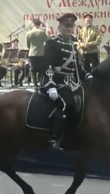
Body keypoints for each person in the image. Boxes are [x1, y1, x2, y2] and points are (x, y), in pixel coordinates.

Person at [40, 13, 90, 150]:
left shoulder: (72, 45)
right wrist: (50, 85)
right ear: (60, 26)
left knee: (86, 101)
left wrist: (87, 76)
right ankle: (55, 138)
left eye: (71, 26)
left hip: (71, 82)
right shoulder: (53, 42)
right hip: (56, 81)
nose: (69, 29)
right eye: (66, 26)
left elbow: (77, 68)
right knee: (67, 104)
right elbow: (46, 66)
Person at [26, 19, 49, 89]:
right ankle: (41, 84)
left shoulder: (28, 33)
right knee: (41, 70)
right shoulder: (42, 32)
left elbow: (27, 45)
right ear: (39, 25)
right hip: (41, 53)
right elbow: (48, 40)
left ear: (33, 24)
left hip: (32, 53)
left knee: (33, 71)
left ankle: (35, 85)